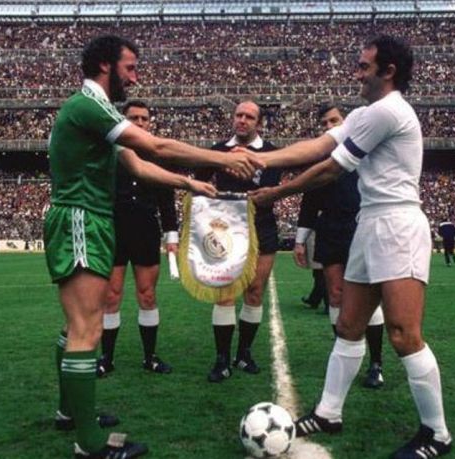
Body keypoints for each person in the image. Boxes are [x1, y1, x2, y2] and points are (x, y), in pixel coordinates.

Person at [45, 35, 261, 459]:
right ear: (105, 65)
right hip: (81, 218)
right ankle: (89, 443)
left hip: (90, 219)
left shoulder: (96, 111)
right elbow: (155, 146)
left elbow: (139, 166)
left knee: (77, 326)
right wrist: (223, 158)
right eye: (129, 67)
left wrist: (188, 183)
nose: (134, 77)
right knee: (85, 328)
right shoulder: (88, 105)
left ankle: (71, 412)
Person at [249, 36, 452, 458]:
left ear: (388, 71)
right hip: (370, 223)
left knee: (403, 334)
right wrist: (263, 159)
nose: (356, 73)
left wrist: (277, 192)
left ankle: (437, 434)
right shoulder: (364, 113)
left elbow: (330, 168)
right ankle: (329, 412)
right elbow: (318, 146)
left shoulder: (389, 111)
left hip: (397, 225)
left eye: (363, 66)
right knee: (348, 325)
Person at [294, 103, 385, 389]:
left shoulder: (366, 151)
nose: (329, 126)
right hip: (330, 229)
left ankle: (376, 363)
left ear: (346, 122)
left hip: (362, 225)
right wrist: (300, 240)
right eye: (324, 123)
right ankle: (343, 356)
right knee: (334, 294)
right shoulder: (321, 160)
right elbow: (309, 203)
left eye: (334, 120)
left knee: (369, 298)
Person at [194, 100, 281, 383]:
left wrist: (246, 167)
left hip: (261, 225)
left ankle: (244, 353)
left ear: (259, 123)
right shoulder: (218, 150)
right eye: (239, 115)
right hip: (226, 230)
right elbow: (200, 184)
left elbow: (269, 186)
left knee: (254, 293)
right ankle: (221, 359)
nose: (242, 120)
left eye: (249, 117)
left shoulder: (271, 153)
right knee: (225, 293)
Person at [96, 101, 178, 378]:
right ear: (124, 120)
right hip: (113, 229)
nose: (140, 122)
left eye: (144, 118)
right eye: (134, 118)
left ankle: (150, 357)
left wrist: (171, 235)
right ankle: (107, 358)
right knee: (111, 296)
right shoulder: (110, 152)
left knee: (148, 294)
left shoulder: (158, 155)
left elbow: (167, 200)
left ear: (150, 122)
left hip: (146, 229)